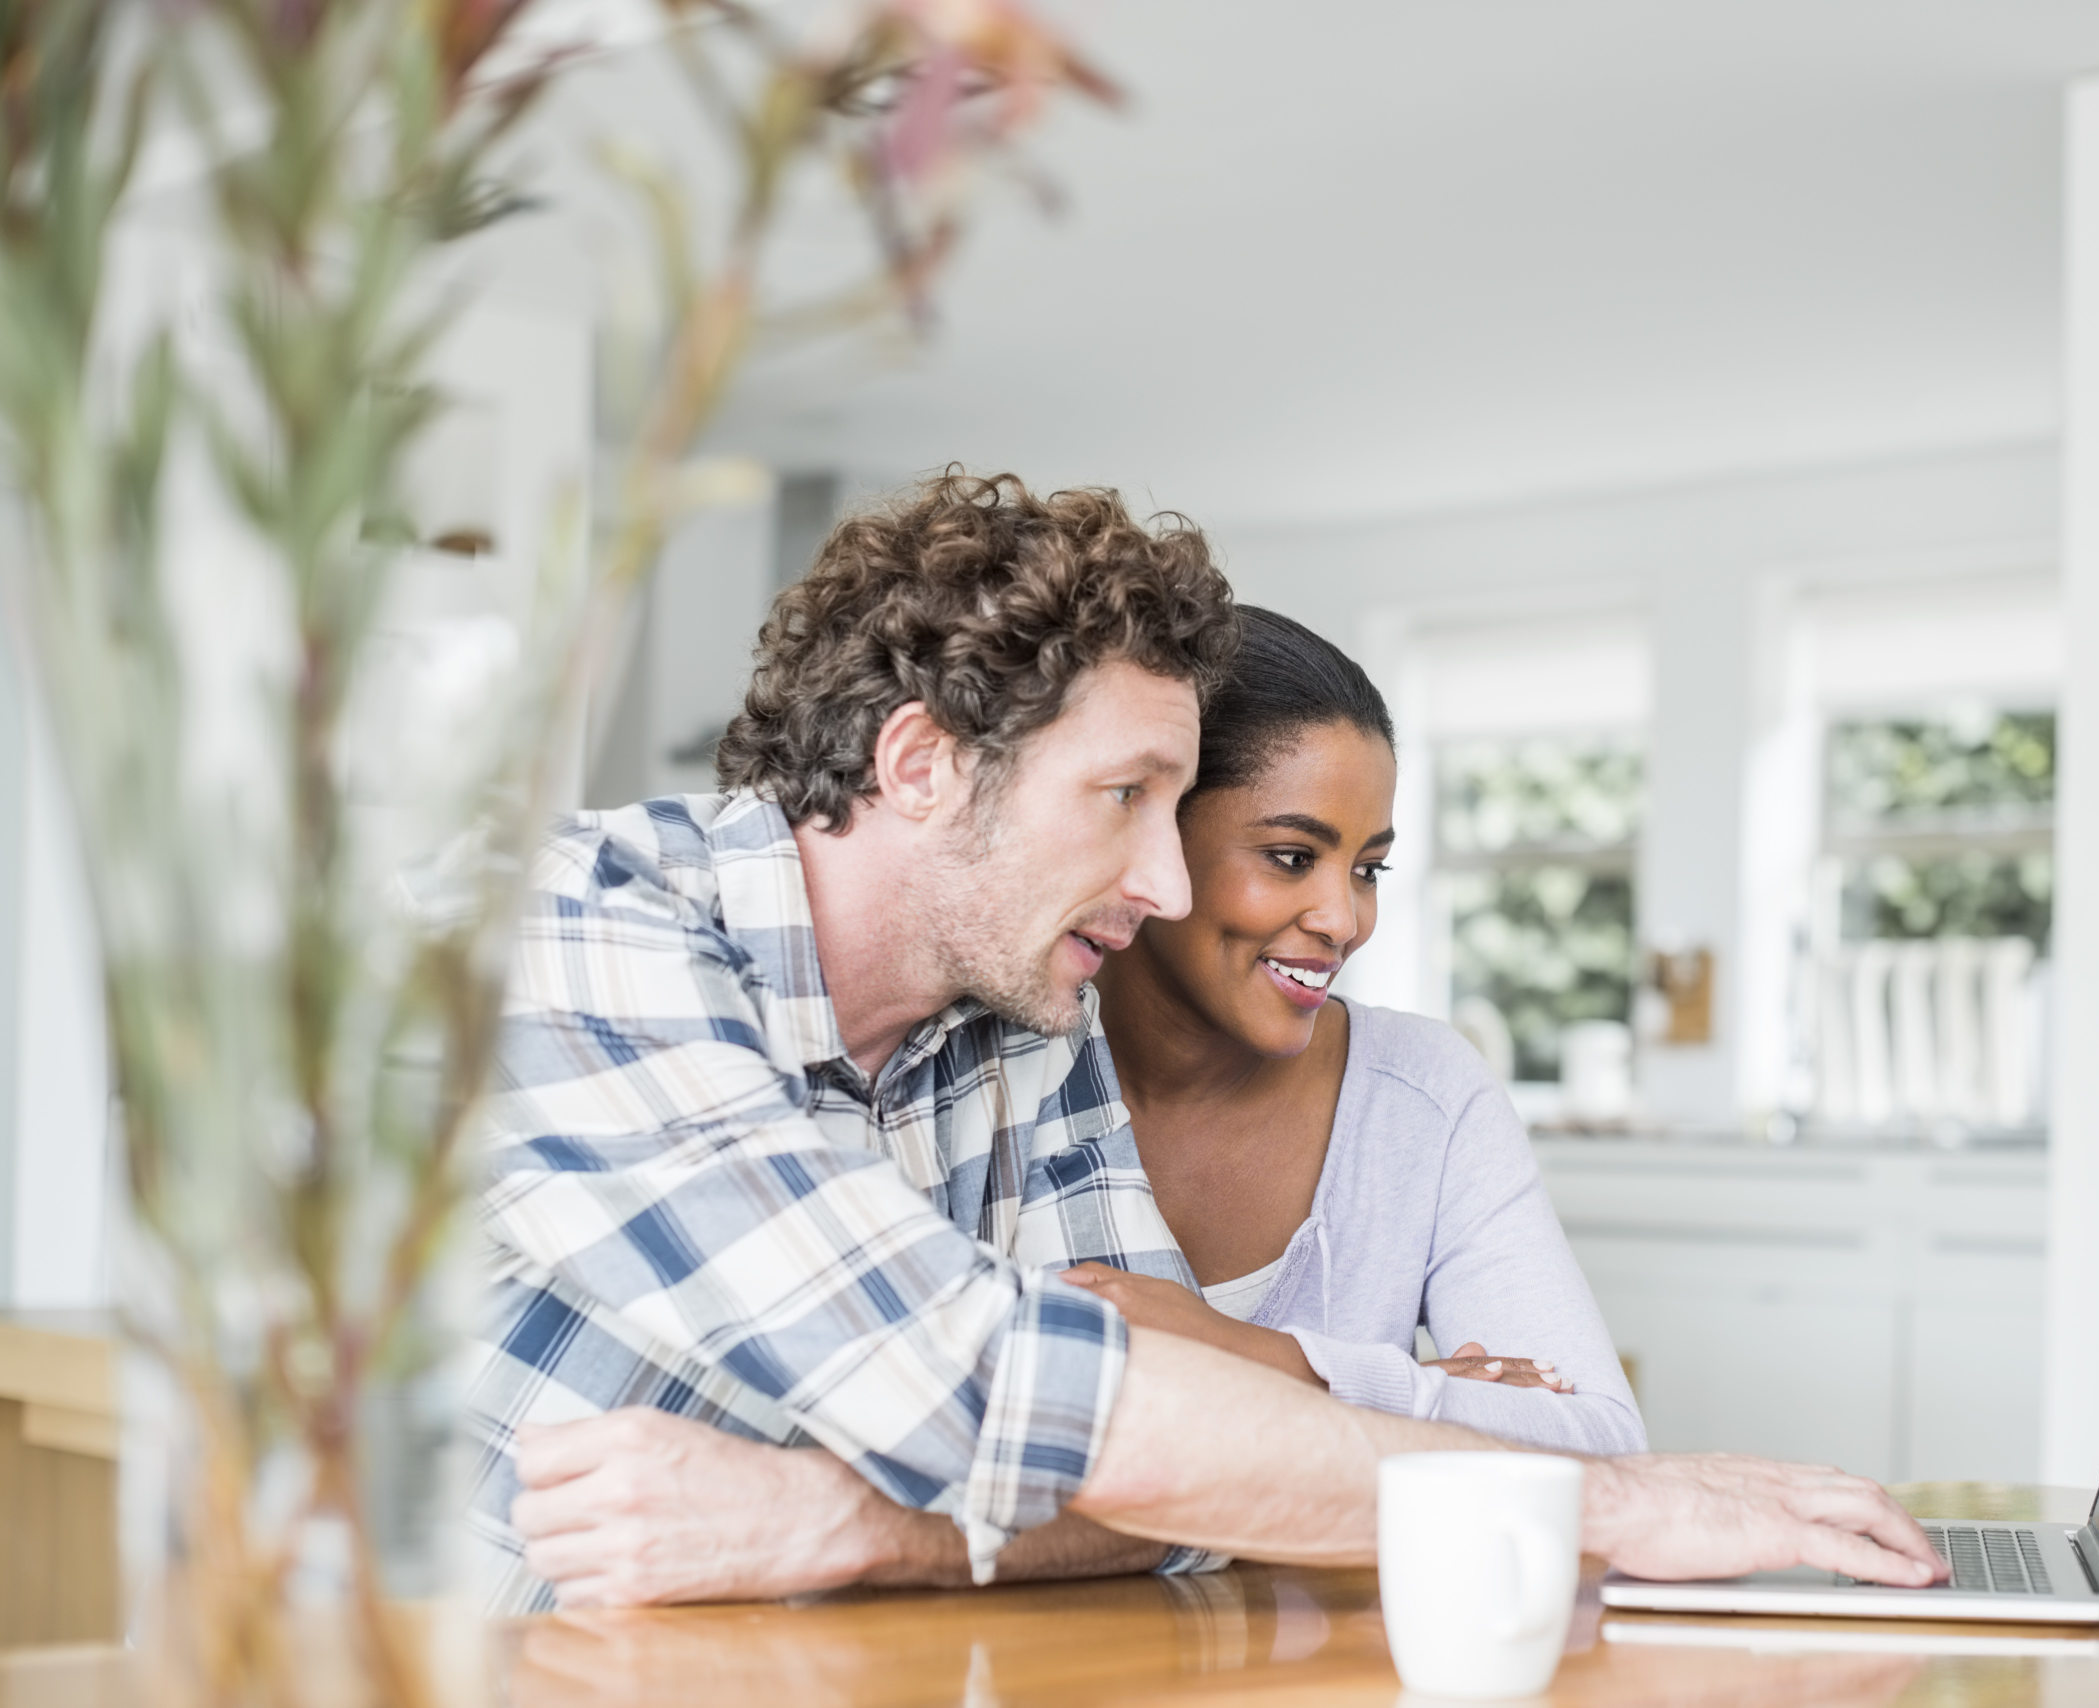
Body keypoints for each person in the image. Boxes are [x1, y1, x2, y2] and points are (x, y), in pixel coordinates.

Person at [474, 472, 1945, 1611]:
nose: (1167, 887)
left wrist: (840, 1525)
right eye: (1124, 800)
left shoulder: (1013, 1022)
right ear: (921, 763)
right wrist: (1618, 1506)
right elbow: (1024, 1405)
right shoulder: (574, 945)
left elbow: (1181, 1474)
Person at [1056, 608, 1643, 1454]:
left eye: (1368, 869)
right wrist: (1419, 1400)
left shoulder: (1424, 1095)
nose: (1345, 919)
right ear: (1153, 831)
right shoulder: (1003, 1068)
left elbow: (1600, 1443)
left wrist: (1262, 1358)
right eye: (1292, 857)